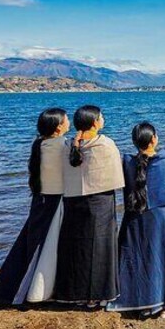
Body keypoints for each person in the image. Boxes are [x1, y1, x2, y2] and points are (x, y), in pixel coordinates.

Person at [0, 107, 70, 304]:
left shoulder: (40, 145)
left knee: (32, 244)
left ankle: (18, 284)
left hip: (40, 201)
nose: (69, 122)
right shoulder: (64, 146)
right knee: (53, 246)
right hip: (57, 200)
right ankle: (44, 288)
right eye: (66, 119)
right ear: (58, 127)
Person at [53, 105, 125, 307]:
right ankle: (99, 295)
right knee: (100, 247)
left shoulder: (68, 145)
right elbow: (116, 169)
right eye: (101, 117)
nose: (103, 119)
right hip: (100, 201)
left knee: (76, 247)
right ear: (95, 122)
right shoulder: (105, 144)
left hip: (73, 200)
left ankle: (73, 293)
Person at [107, 122, 165, 317]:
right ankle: (164, 303)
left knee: (135, 255)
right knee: (161, 256)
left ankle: (132, 298)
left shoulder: (127, 162)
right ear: (154, 139)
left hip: (134, 214)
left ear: (134, 141)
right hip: (160, 216)